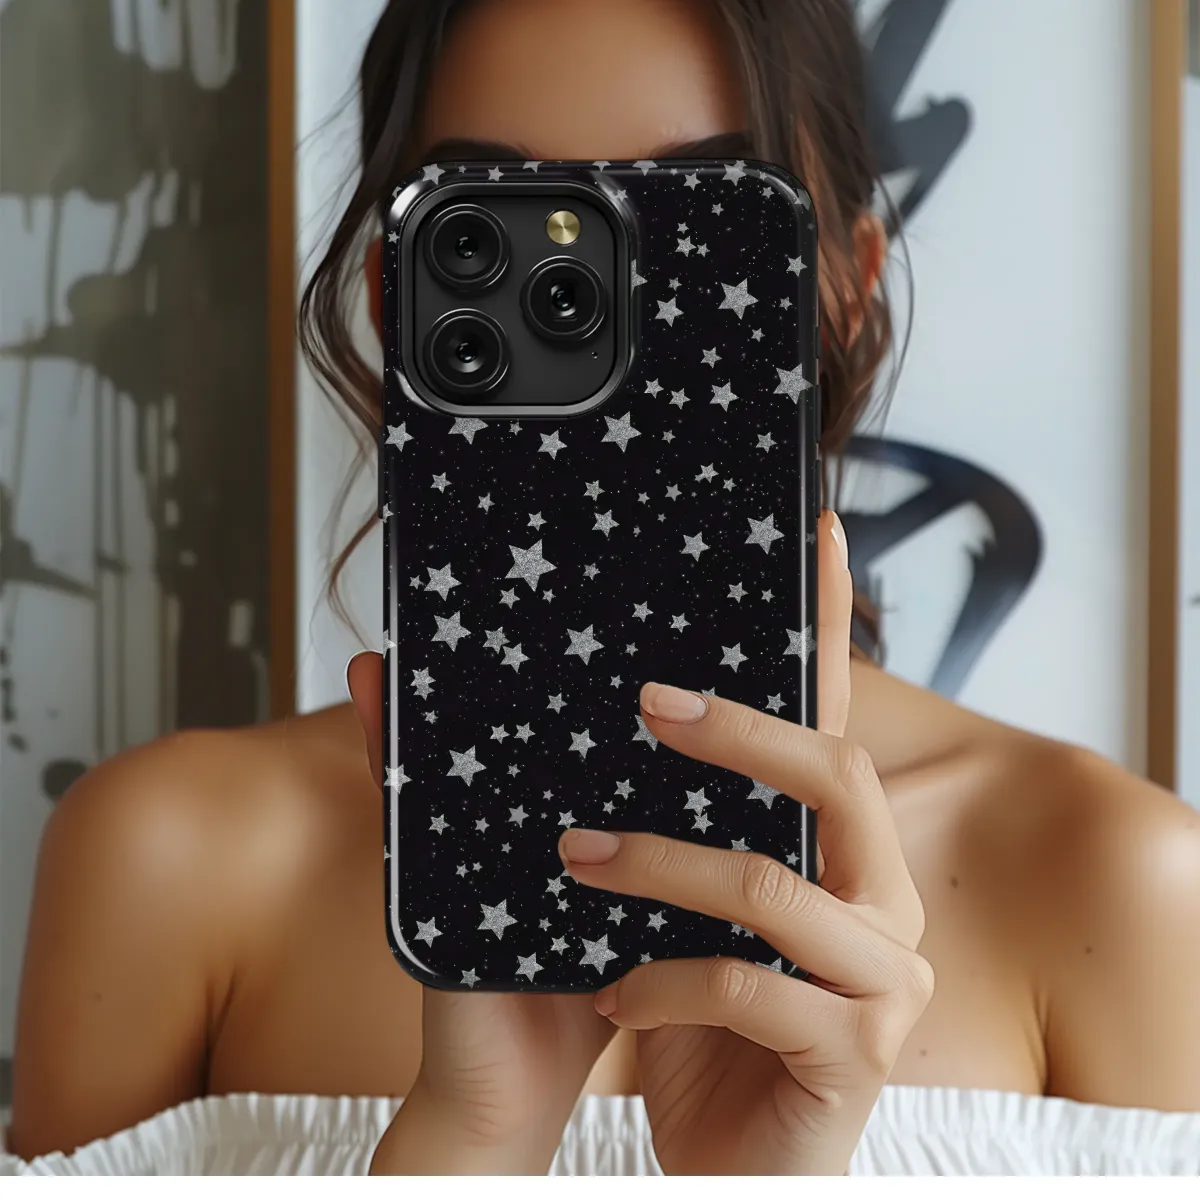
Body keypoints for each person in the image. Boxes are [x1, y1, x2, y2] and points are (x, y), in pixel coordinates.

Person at [7, 0, 1200, 1177]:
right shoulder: (169, 861)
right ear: (392, 296)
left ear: (845, 287)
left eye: (699, 227)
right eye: (493, 228)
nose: (601, 299)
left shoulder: (1116, 882)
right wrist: (474, 1141)